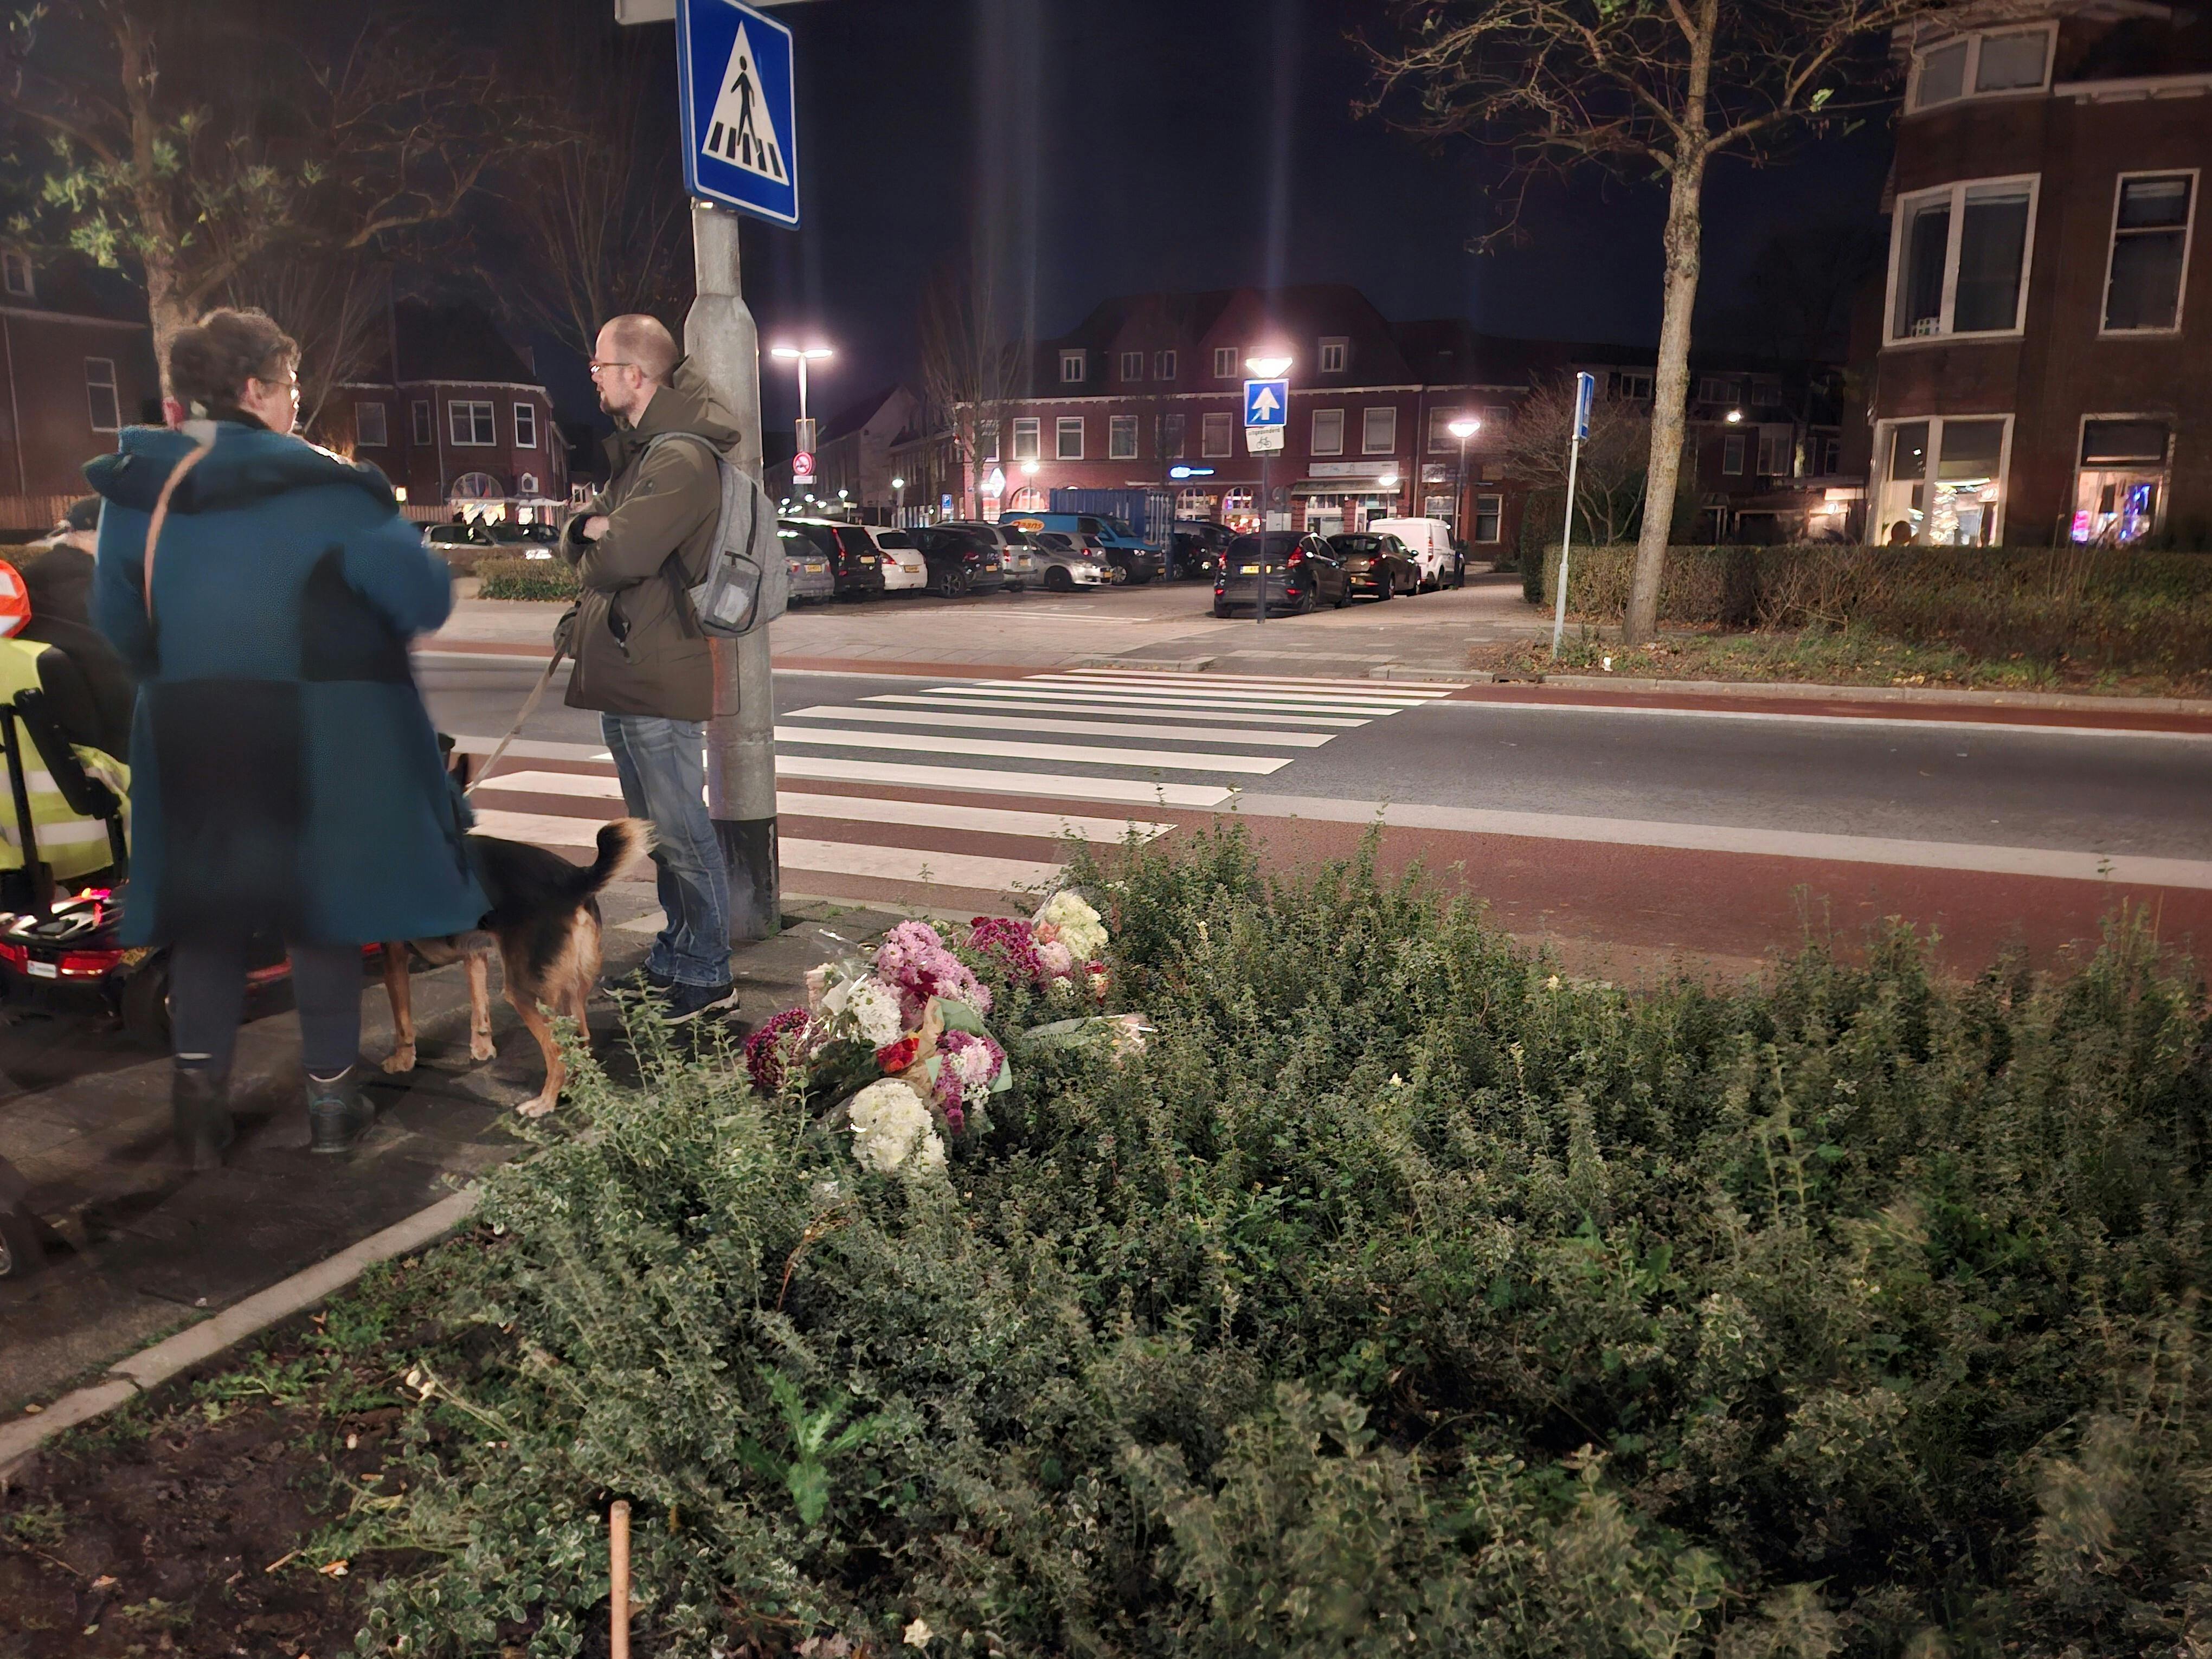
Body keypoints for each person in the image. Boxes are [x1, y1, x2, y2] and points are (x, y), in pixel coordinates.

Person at [88, 307, 486, 1167]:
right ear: (254, 390)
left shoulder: (139, 489)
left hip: (188, 729)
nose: (298, 403)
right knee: (320, 910)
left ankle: (199, 1117)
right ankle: (333, 1104)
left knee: (206, 916)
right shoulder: (325, 487)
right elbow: (420, 598)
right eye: (291, 386)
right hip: (311, 730)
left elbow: (118, 621)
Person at [561, 313, 739, 1022]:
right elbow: (583, 535)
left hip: (658, 674)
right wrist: (589, 529)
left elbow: (619, 558)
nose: (594, 378)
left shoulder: (680, 459)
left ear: (635, 375)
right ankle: (677, 956)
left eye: (600, 366)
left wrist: (598, 534)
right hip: (630, 670)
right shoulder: (640, 456)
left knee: (682, 832)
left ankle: (710, 973)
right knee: (657, 835)